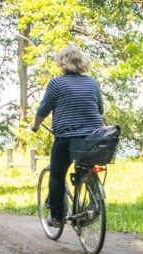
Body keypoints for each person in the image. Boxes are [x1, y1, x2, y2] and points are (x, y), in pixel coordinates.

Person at [30, 44, 105, 226]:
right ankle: (93, 202)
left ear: (62, 62)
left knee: (57, 174)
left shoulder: (57, 83)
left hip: (66, 139)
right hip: (93, 138)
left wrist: (35, 125)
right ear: (81, 62)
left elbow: (43, 109)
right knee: (86, 167)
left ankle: (57, 217)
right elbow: (100, 109)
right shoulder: (92, 82)